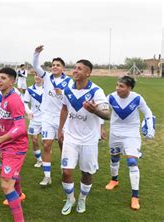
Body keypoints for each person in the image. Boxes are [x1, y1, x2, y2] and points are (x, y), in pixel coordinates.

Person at [58, 60, 110, 215]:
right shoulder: (67, 90)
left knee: (87, 173)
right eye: (74, 68)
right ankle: (70, 199)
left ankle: (82, 199)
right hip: (71, 137)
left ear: (88, 73)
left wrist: (95, 111)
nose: (75, 70)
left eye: (79, 69)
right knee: (66, 172)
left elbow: (107, 114)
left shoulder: (96, 91)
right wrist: (60, 129)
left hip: (89, 139)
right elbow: (64, 109)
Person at [0, 67, 27, 222]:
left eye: (3, 78)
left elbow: (21, 128)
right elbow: (5, 118)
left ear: (12, 81)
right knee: (11, 177)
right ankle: (20, 194)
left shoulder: (14, 100)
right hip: (7, 145)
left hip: (15, 147)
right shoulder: (5, 96)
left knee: (6, 185)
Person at [104, 76, 154, 210]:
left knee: (132, 162)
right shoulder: (111, 97)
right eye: (117, 85)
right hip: (115, 133)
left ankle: (135, 196)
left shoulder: (137, 98)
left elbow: (148, 112)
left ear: (129, 88)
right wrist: (100, 126)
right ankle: (114, 180)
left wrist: (149, 122)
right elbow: (102, 110)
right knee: (114, 157)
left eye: (121, 86)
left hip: (131, 134)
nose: (117, 88)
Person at [32, 45, 74, 186]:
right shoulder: (47, 77)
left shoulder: (69, 82)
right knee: (46, 145)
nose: (55, 67)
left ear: (63, 68)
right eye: (53, 65)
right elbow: (35, 66)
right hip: (47, 117)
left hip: (62, 118)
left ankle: (65, 167)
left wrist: (62, 94)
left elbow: (72, 100)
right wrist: (36, 53)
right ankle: (47, 176)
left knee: (63, 144)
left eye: (58, 65)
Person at [23, 75, 44, 167]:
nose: (37, 77)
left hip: (46, 120)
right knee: (35, 140)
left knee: (45, 142)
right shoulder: (30, 89)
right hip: (34, 119)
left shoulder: (48, 89)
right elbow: (25, 103)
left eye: (39, 75)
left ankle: (47, 156)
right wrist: (28, 112)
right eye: (35, 74)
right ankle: (39, 160)